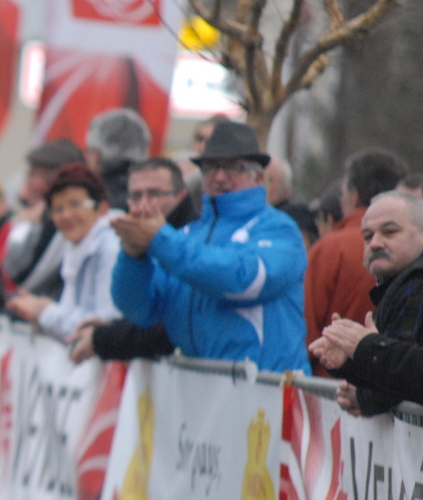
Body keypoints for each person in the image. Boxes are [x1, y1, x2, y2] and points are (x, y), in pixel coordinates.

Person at [110, 121, 311, 373]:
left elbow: (245, 280)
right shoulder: (187, 234)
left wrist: (160, 240)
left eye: (234, 168)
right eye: (210, 167)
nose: (219, 176)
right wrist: (133, 255)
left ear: (259, 176)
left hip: (265, 395)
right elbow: (141, 310)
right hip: (203, 393)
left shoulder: (279, 229)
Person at [308, 191, 423, 416]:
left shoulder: (419, 281)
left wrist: (365, 394)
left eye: (390, 232)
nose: (376, 243)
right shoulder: (401, 281)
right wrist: (350, 361)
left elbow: (413, 376)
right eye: (367, 236)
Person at [68, 157, 195, 363]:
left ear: (181, 195)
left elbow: (171, 325)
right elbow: (136, 310)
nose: (143, 205)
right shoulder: (132, 239)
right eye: (136, 196)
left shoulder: (196, 242)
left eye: (154, 194)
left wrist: (103, 338)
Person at [304, 148, 407, 375]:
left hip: (332, 386)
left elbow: (306, 331)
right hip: (396, 386)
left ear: (354, 195)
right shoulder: (415, 246)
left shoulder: (328, 249)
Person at [5, 164, 122, 340]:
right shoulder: (75, 243)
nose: (66, 215)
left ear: (101, 208)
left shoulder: (111, 249)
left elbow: (104, 322)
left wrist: (45, 313)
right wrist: (42, 312)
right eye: (58, 209)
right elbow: (71, 316)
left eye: (75, 204)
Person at [1, 139, 86, 299]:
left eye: (47, 175)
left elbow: (26, 278)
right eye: (33, 174)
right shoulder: (33, 218)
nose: (36, 183)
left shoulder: (70, 224)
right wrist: (25, 224)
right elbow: (12, 269)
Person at [84, 108, 151, 211]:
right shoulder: (157, 195)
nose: (86, 157)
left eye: (89, 150)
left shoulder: (93, 201)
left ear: (97, 154)